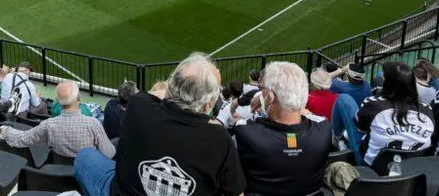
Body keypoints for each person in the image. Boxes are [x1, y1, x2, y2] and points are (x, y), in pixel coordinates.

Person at [74, 52, 246, 196]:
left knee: (84, 155)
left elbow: (157, 93)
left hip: (122, 190)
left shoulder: (139, 105)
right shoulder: (219, 139)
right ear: (208, 105)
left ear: (170, 86)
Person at [234, 62, 331, 196]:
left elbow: (242, 121)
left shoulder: (246, 131)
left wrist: (262, 100)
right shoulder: (323, 130)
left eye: (263, 90)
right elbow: (312, 117)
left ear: (271, 97)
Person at [0, 80, 115, 158]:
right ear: (78, 98)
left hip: (60, 170)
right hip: (86, 174)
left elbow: (23, 138)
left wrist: (4, 130)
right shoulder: (93, 123)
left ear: (58, 101)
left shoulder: (48, 124)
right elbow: (109, 153)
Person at [357, 61, 434, 167]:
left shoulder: (373, 103)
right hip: (412, 170)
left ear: (387, 83)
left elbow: (360, 129)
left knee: (344, 100)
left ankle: (338, 142)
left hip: (372, 167)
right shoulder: (427, 109)